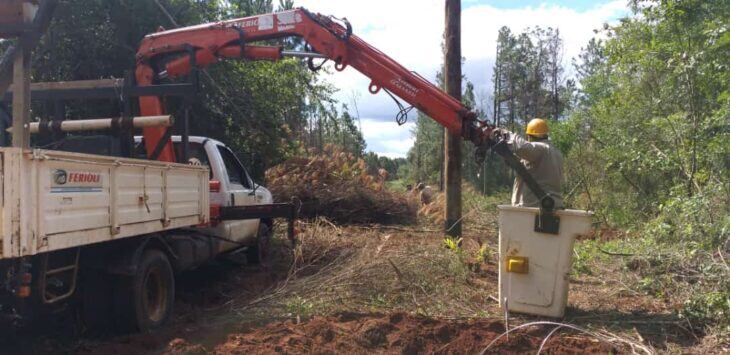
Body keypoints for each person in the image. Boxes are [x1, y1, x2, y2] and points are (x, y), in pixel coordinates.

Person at [498, 118, 564, 209]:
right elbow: (536, 171)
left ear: (530, 136)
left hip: (534, 206)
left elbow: (521, 147)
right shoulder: (556, 152)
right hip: (554, 205)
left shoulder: (541, 148)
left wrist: (506, 134)